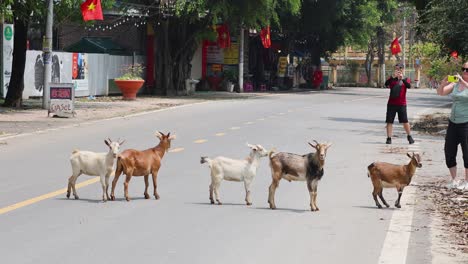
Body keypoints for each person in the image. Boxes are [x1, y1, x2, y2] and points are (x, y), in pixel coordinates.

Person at [436, 61, 468, 190]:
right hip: (453, 122)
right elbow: (441, 92)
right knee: (449, 150)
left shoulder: (465, 84)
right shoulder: (456, 84)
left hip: (466, 123)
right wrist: (444, 82)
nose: (465, 72)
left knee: (467, 152)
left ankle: (467, 181)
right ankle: (454, 179)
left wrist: (463, 82)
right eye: (463, 69)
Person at [384, 63, 414, 144]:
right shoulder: (392, 78)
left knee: (405, 121)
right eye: (396, 69)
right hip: (391, 104)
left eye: (400, 69)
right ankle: (389, 138)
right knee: (389, 121)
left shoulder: (406, 79)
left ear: (403, 69)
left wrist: (402, 79)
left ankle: (409, 136)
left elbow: (409, 86)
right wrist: (393, 78)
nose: (398, 70)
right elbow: (386, 84)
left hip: (402, 104)